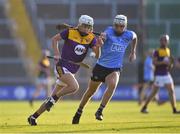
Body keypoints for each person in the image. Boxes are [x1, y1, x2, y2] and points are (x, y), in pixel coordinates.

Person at [27, 15, 103, 126]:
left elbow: (97, 56)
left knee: (53, 97)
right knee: (74, 87)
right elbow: (54, 39)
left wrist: (99, 46)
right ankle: (52, 100)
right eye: (85, 26)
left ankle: (33, 117)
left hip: (72, 70)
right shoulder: (70, 32)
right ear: (80, 25)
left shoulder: (91, 38)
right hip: (61, 66)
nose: (86, 28)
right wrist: (57, 54)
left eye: (89, 27)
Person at [71, 14, 138, 124]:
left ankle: (100, 110)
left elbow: (135, 37)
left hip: (114, 68)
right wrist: (100, 41)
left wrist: (133, 51)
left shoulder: (129, 35)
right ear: (114, 25)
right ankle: (79, 111)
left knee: (112, 84)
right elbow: (100, 42)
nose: (119, 28)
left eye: (121, 26)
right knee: (90, 92)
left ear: (125, 26)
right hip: (101, 66)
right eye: (117, 26)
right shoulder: (108, 31)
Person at [141, 34, 180, 114]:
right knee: (153, 93)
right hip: (159, 75)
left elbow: (168, 64)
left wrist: (170, 65)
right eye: (162, 40)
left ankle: (174, 109)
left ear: (168, 41)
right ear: (160, 41)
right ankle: (144, 107)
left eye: (165, 40)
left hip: (166, 74)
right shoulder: (157, 51)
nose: (164, 41)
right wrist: (163, 62)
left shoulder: (168, 50)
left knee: (171, 91)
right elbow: (154, 62)